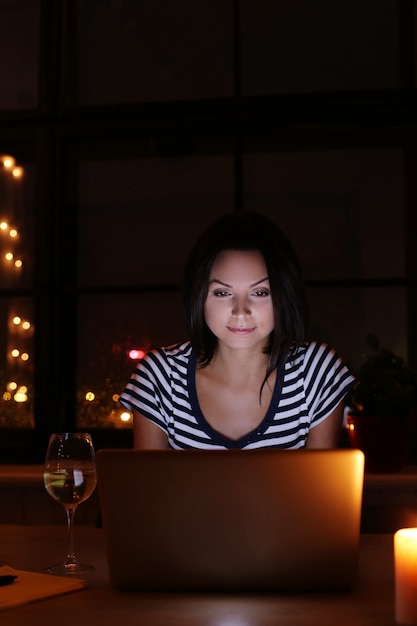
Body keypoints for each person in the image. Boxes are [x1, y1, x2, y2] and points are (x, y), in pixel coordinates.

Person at [119, 211, 355, 450]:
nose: (241, 311)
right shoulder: (162, 376)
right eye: (222, 293)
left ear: (283, 295)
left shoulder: (315, 372)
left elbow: (322, 486)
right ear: (199, 296)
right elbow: (149, 485)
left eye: (260, 292)